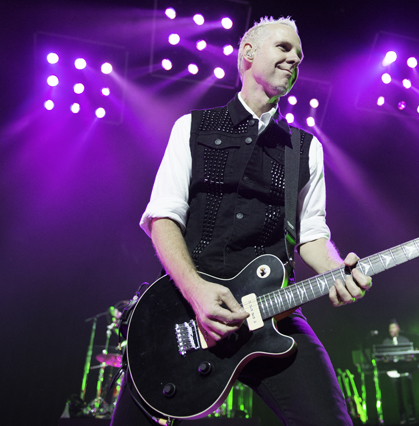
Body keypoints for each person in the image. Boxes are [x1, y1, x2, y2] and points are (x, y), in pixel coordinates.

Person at [110, 16, 372, 426]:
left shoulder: (305, 149)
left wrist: (337, 270)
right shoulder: (192, 128)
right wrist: (196, 291)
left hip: (274, 314)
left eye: (300, 56)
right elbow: (162, 218)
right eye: (284, 48)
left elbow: (312, 235)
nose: (295, 60)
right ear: (248, 53)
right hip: (185, 306)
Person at [382, 319, 416, 425]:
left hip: (405, 370)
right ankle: (402, 417)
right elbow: (383, 357)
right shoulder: (386, 342)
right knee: (398, 396)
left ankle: (412, 416)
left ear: (398, 328)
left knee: (409, 394)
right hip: (393, 372)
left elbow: (410, 355)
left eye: (393, 327)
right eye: (389, 328)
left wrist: (411, 356)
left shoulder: (404, 340)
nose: (391, 330)